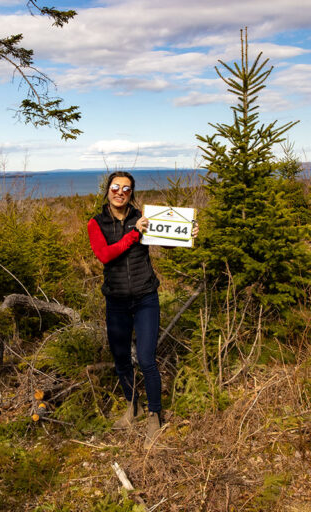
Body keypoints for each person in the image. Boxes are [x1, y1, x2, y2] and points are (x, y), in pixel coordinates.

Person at [87, 171, 196, 449]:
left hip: (146, 297)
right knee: (121, 358)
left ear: (131, 193)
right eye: (115, 187)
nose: (120, 192)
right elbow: (105, 255)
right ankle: (132, 407)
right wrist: (134, 234)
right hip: (116, 302)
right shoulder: (96, 223)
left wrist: (187, 233)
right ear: (107, 190)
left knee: (147, 359)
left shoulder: (142, 217)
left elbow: (166, 239)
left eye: (126, 188)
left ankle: (154, 416)